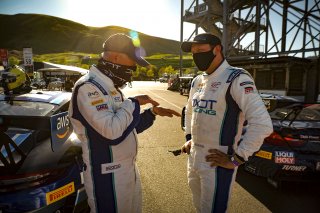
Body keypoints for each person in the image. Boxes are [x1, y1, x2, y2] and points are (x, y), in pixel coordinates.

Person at [68, 33, 181, 213]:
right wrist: (134, 102)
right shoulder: (88, 87)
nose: (134, 68)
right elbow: (112, 132)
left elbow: (128, 127)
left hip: (128, 170)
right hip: (107, 176)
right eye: (133, 61)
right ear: (115, 57)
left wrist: (151, 113)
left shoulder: (111, 87)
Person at [180, 33, 273, 213]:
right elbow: (190, 111)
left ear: (217, 49)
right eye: (193, 52)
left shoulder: (237, 78)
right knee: (199, 207)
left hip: (218, 161)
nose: (196, 55)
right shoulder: (197, 81)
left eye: (201, 50)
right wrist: (189, 137)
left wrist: (237, 159)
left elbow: (262, 123)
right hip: (193, 156)